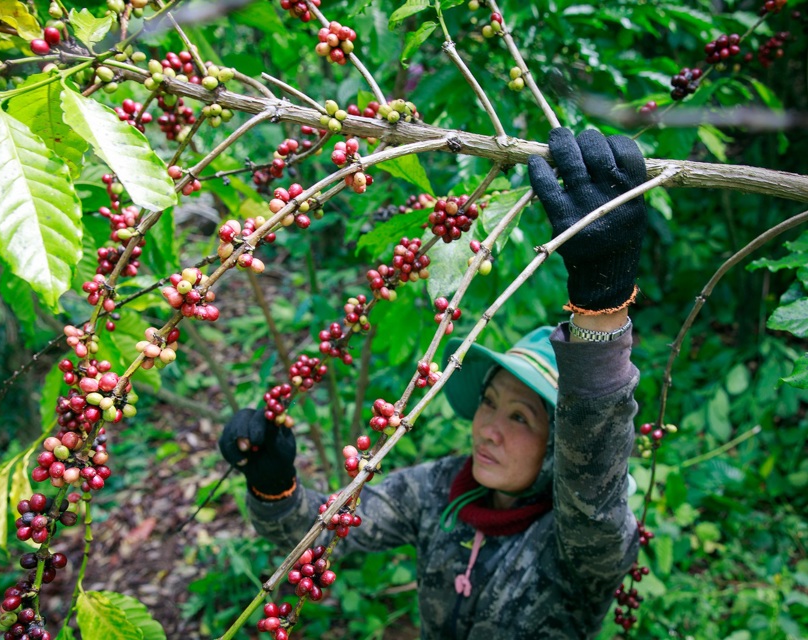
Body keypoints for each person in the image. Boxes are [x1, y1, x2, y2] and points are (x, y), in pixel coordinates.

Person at [219, 127, 647, 639]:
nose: (489, 429)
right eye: (489, 403)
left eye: (521, 418)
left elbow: (593, 485)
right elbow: (320, 535)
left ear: (559, 444)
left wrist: (601, 308)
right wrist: (274, 487)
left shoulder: (579, 542)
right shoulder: (442, 490)